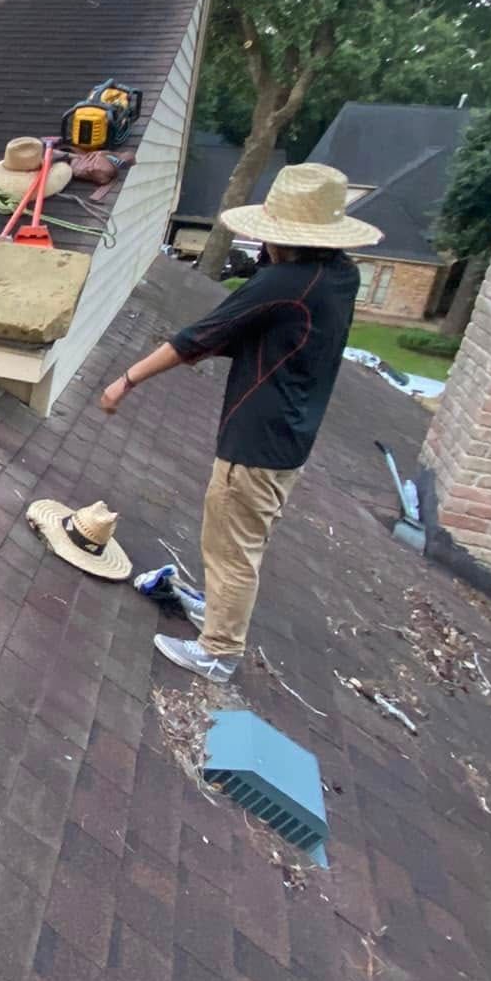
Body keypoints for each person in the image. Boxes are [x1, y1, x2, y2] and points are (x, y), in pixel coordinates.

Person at [99, 162, 381, 683]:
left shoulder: (283, 283)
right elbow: (262, 334)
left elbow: (197, 338)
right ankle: (219, 615)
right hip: (292, 437)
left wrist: (126, 380)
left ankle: (218, 653)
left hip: (257, 440)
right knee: (241, 542)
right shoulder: (340, 276)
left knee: (231, 549)